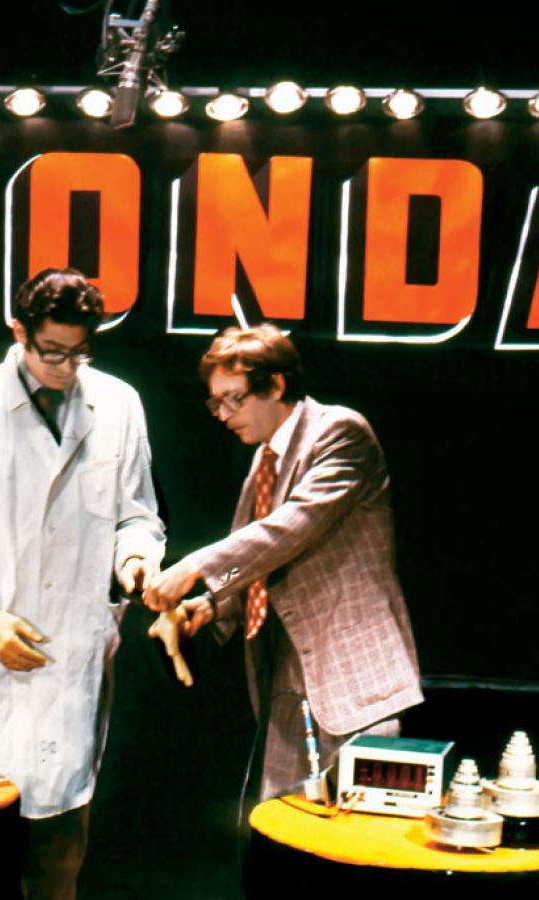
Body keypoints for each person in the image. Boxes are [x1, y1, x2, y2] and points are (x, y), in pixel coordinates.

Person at [0, 268, 165, 900]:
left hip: (70, 654)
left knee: (62, 840)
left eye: (80, 353)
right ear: (19, 331)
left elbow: (137, 515)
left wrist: (136, 560)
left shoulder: (118, 404)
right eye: (52, 351)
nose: (66, 367)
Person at [143, 323, 422, 803]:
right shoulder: (264, 462)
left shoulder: (340, 432)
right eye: (215, 403)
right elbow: (253, 564)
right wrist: (206, 607)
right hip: (288, 687)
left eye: (233, 399)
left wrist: (191, 567)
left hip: (357, 684)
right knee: (280, 836)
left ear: (274, 385)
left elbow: (292, 527)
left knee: (358, 841)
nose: (223, 415)